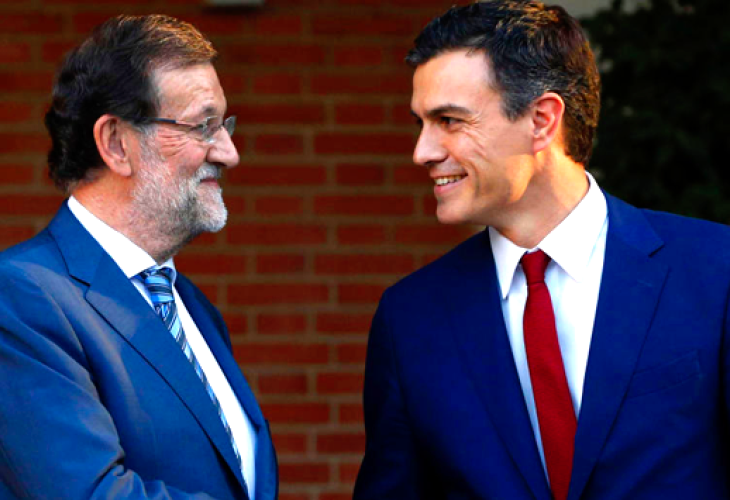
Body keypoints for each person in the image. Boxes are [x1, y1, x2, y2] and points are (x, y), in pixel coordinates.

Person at [353, 1, 730, 499]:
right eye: (420, 122)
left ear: (542, 120)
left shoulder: (716, 272)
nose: (423, 151)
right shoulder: (410, 319)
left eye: (449, 120)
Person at [0, 14, 277, 500]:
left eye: (224, 125)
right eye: (203, 126)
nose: (228, 152)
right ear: (115, 143)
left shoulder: (190, 305)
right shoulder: (22, 297)